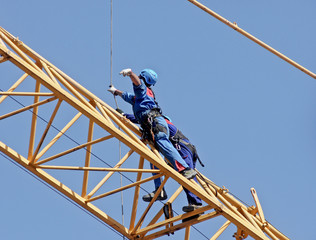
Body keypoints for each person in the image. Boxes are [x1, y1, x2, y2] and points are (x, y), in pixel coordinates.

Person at [107, 68, 197, 181]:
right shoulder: (141, 97)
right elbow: (127, 96)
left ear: (143, 77)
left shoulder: (142, 90)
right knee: (154, 157)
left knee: (162, 142)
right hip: (151, 125)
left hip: (156, 123)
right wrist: (115, 91)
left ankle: (185, 169)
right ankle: (159, 189)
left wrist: (130, 74)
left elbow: (138, 84)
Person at [119, 111, 203, 212]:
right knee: (155, 157)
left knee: (186, 174)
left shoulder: (160, 121)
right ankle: (161, 191)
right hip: (183, 148)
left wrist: (124, 115)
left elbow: (140, 119)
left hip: (182, 148)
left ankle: (196, 203)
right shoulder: (161, 123)